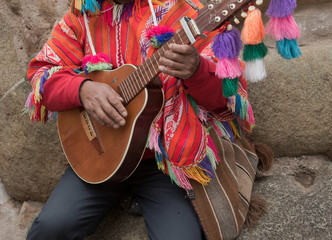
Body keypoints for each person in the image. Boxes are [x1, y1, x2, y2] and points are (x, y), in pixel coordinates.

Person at [25, 0, 262, 239]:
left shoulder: (187, 11)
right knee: (50, 227)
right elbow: (42, 74)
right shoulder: (83, 15)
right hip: (98, 157)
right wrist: (82, 89)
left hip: (164, 165)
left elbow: (227, 101)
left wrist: (197, 71)